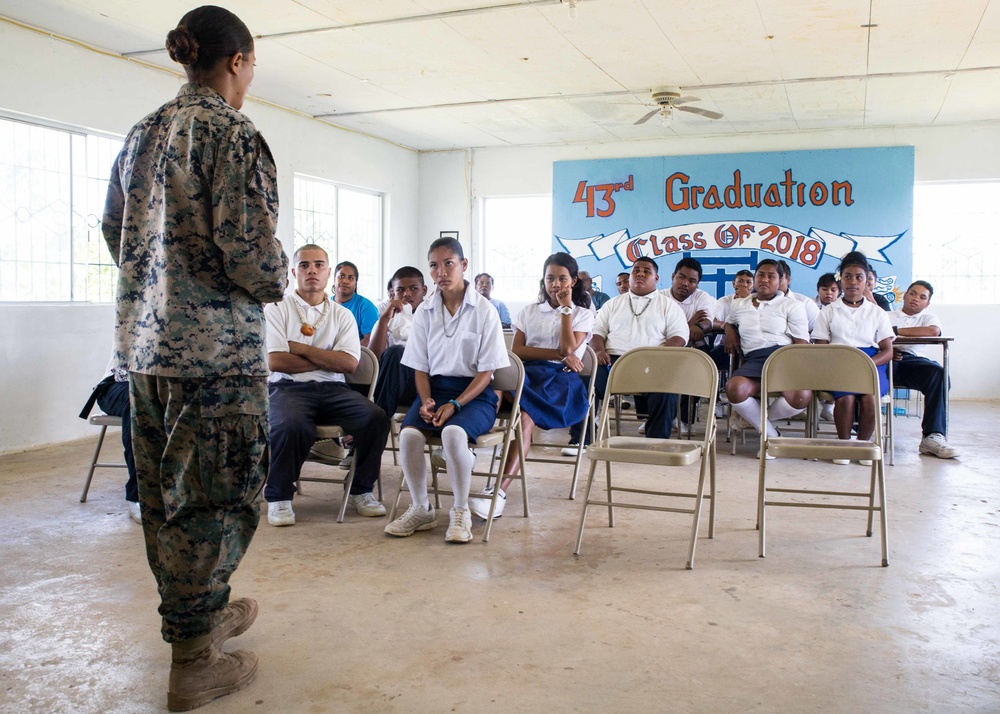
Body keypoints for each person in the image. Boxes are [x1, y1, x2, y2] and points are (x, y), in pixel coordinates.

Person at [101, 6, 287, 709]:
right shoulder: (231, 134)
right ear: (237, 61)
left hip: (145, 356)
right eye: (253, 65)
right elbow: (250, 254)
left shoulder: (142, 132)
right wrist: (277, 278)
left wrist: (158, 283)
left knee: (164, 499)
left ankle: (197, 616)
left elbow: (117, 232)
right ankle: (195, 660)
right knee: (216, 498)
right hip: (214, 360)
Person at [385, 238, 509, 543]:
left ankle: (459, 511)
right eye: (434, 266)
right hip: (435, 388)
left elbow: (487, 373)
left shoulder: (484, 311)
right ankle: (420, 508)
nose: (441, 271)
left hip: (475, 394)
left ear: (464, 265)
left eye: (448, 263)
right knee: (410, 435)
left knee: (453, 435)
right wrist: (426, 400)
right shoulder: (425, 311)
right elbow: (420, 367)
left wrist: (455, 403)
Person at [263, 244, 391, 526]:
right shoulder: (276, 308)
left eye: (319, 265)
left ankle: (361, 490)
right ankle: (279, 497)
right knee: (290, 425)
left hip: (334, 389)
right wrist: (327, 358)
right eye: (305, 265)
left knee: (376, 418)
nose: (312, 271)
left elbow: (348, 365)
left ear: (328, 272)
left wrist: (297, 347)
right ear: (294, 271)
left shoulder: (341, 314)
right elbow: (276, 361)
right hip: (288, 387)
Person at [468, 252, 594, 519]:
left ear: (573, 281)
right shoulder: (528, 311)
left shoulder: (582, 314)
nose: (556, 284)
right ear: (543, 281)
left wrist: (566, 310)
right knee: (497, 380)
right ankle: (466, 442)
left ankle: (497, 494)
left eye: (562, 278)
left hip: (560, 382)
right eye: (550, 278)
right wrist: (559, 354)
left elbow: (568, 347)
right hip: (528, 374)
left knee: (525, 418)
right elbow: (518, 351)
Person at [584, 256, 689, 442]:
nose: (640, 273)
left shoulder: (669, 306)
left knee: (667, 390)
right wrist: (599, 351)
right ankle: (583, 438)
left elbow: (679, 336)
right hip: (612, 362)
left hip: (653, 361)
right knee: (583, 382)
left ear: (656, 279)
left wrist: (659, 356)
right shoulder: (612, 304)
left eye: (647, 271)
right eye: (636, 270)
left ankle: (656, 442)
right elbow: (596, 332)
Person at [811, 253, 894, 465]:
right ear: (841, 280)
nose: (853, 282)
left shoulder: (878, 313)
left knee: (870, 398)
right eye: (848, 277)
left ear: (867, 281)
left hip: (871, 363)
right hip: (838, 361)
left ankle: (863, 445)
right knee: (845, 398)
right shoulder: (829, 311)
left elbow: (888, 350)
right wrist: (838, 362)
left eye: (859, 277)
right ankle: (844, 444)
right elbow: (821, 345)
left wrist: (867, 363)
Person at [724, 260, 811, 456]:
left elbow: (801, 342)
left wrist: (796, 370)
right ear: (754, 279)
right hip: (753, 359)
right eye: (761, 275)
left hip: (783, 358)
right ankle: (771, 437)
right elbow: (729, 323)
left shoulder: (792, 306)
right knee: (734, 388)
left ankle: (755, 421)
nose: (765, 279)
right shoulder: (739, 305)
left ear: (780, 280)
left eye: (771, 276)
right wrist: (729, 332)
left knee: (800, 396)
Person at [887, 280, 959, 459]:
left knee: (938, 374)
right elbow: (872, 334)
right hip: (886, 359)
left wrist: (896, 330)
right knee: (864, 369)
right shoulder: (886, 314)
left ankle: (932, 436)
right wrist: (888, 349)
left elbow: (933, 332)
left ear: (927, 303)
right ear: (905, 294)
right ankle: (857, 432)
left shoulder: (928, 318)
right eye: (912, 293)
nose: (915, 299)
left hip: (914, 362)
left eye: (922, 297)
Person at [79, 354, 140, 523]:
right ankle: (138, 495)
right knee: (140, 400)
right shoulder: (132, 327)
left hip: (165, 384)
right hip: (119, 383)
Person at [662, 257, 716, 434]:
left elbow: (705, 324)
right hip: (663, 346)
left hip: (694, 345)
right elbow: (660, 329)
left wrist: (696, 325)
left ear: (697, 284)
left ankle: (683, 419)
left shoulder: (702, 297)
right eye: (681, 277)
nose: (685, 283)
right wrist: (689, 323)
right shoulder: (659, 297)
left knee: (699, 365)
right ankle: (655, 416)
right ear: (673, 276)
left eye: (692, 281)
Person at [369, 266, 428, 417]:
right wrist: (384, 319)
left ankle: (377, 420)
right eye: (400, 290)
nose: (407, 294)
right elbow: (373, 358)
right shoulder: (389, 318)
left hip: (426, 385)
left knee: (398, 352)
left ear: (424, 290)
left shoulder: (434, 316)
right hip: (393, 383)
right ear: (392, 293)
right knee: (395, 353)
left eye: (413, 288)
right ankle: (377, 418)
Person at [333, 260, 379, 345]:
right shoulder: (325, 304)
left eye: (350, 278)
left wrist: (349, 353)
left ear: (355, 283)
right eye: (341, 276)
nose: (345, 281)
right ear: (334, 279)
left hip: (355, 354)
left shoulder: (366, 306)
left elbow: (370, 338)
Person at [776, 260, 820, 333]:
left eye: (779, 278)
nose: (774, 282)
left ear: (788, 279)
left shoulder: (805, 303)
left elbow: (818, 331)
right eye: (771, 277)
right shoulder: (757, 303)